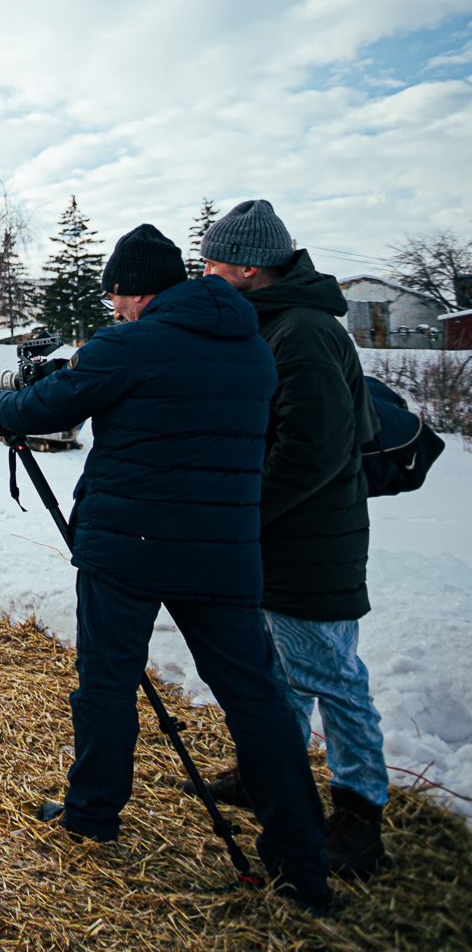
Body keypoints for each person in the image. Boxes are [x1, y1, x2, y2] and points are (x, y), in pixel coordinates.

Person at [0, 223, 328, 908]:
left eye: (116, 298)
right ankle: (302, 855)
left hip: (126, 544)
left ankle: (93, 812)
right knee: (256, 697)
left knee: (106, 681)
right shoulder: (251, 346)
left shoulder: (129, 343)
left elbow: (45, 408)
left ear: (134, 292)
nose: (114, 309)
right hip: (222, 549)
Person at [202, 199, 388, 877]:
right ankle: (269, 774)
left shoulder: (303, 332)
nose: (206, 273)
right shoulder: (273, 324)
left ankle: (359, 815)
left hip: (313, 541)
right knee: (279, 672)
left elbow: (309, 451)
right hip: (280, 539)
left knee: (333, 678)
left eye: (212, 262)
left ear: (249, 267)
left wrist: (240, 514)